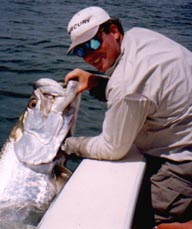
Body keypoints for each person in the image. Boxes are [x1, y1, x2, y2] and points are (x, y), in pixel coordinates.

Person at [62, 6, 192, 229]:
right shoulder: (139, 36)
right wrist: (95, 82)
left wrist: (68, 145)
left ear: (113, 31)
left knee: (149, 218)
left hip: (184, 158)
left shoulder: (126, 83)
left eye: (93, 43)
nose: (89, 56)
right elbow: (145, 91)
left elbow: (113, 149)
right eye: (80, 51)